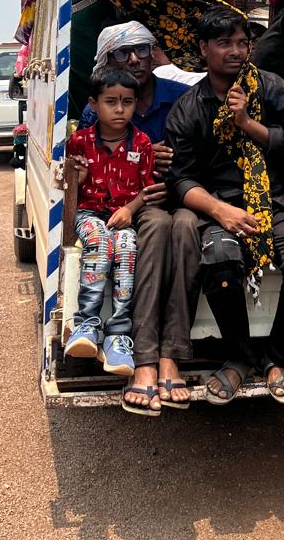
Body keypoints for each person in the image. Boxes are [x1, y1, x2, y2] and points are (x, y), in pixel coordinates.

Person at [164, 7, 284, 404]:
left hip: (279, 199)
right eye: (224, 43)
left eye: (242, 43)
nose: (236, 51)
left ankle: (276, 355)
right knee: (220, 257)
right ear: (203, 48)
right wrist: (220, 211)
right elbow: (180, 179)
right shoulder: (188, 107)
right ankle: (238, 356)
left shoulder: (273, 88)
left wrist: (248, 124)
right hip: (220, 203)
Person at [78, 22, 201, 414]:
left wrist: (173, 161)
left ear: (154, 54)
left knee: (185, 226)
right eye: (122, 53)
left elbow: (205, 151)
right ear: (106, 61)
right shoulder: (95, 110)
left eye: (142, 50)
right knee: (159, 225)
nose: (134, 59)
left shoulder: (183, 97)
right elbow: (89, 166)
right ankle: (145, 357)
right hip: (134, 206)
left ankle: (171, 355)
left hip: (183, 196)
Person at [64, 68, 156, 378]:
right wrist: (77, 178)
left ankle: (118, 334)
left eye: (127, 102)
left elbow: (147, 189)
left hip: (122, 217)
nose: (119, 110)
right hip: (89, 214)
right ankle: (87, 324)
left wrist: (130, 209)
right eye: (111, 102)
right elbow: (68, 186)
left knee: (128, 247)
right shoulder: (79, 142)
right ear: (93, 104)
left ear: (135, 104)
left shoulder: (142, 143)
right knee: (99, 240)